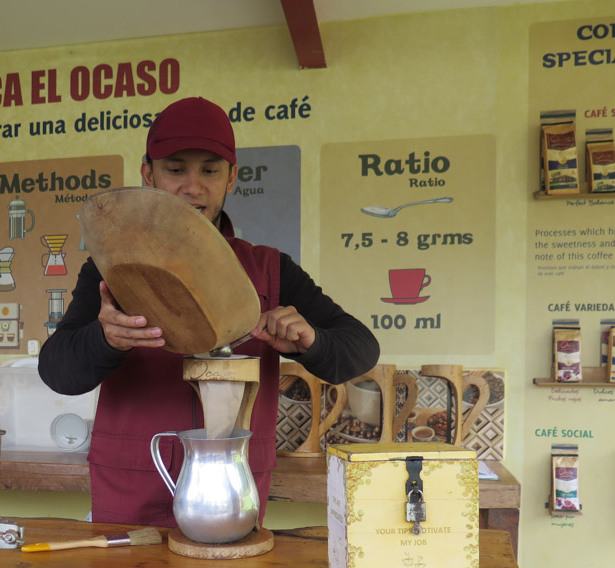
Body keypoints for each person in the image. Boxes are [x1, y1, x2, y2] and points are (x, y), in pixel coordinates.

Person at [39, 96, 379, 526]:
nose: (192, 186)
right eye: (175, 169)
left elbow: (360, 349)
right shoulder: (110, 265)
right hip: (129, 489)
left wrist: (312, 341)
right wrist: (103, 339)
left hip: (231, 491)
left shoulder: (271, 270)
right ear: (148, 174)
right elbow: (57, 371)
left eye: (210, 170)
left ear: (232, 177)